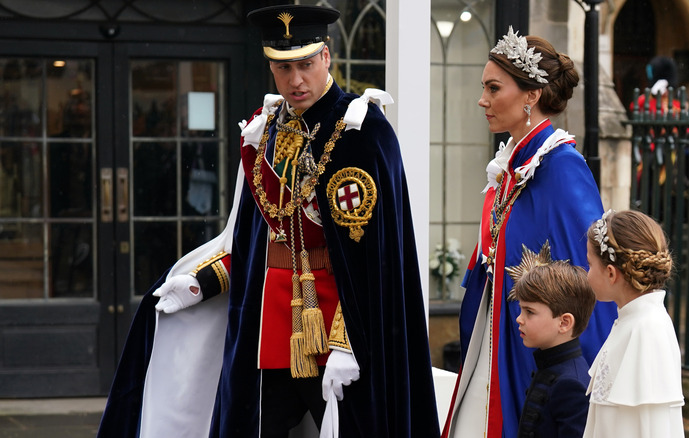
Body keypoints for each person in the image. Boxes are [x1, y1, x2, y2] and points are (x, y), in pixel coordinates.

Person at [97, 4, 440, 438]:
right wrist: (203, 283)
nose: (295, 80)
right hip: (268, 332)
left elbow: (378, 259)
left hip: (342, 332)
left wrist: (347, 341)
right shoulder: (265, 132)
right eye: (281, 68)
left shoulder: (362, 129)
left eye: (305, 64)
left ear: (326, 56)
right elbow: (251, 239)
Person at [439, 27, 617, 438]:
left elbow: (589, 276)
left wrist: (586, 379)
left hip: (530, 352)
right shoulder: (514, 165)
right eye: (483, 87)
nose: (482, 100)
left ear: (531, 96)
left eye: (493, 88)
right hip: (498, 338)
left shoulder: (561, 166)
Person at [582, 209, 684, 438]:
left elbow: (651, 427)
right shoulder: (631, 321)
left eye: (590, 264)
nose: (587, 274)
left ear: (610, 273)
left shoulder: (646, 329)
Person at [506, 241, 595, 438]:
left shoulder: (571, 384)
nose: (519, 319)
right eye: (521, 309)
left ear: (564, 323)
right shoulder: (549, 368)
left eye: (529, 312)